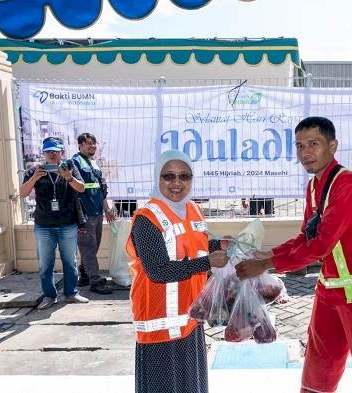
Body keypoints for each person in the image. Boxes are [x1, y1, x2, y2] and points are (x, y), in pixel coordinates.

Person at [236, 117, 352, 392]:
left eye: (314, 144)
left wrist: (267, 263)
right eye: (299, 145)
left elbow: (321, 245)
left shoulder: (348, 184)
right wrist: (268, 255)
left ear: (332, 146)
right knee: (318, 367)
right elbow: (306, 238)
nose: (305, 152)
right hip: (328, 291)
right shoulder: (314, 186)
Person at [126, 150, 230, 393]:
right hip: (159, 325)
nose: (177, 183)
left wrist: (218, 245)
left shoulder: (192, 209)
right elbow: (158, 270)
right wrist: (208, 263)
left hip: (189, 319)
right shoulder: (147, 219)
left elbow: (195, 245)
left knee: (190, 385)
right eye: (168, 176)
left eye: (184, 176)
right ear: (157, 178)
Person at [20, 137, 89, 310]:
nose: (52, 154)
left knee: (70, 262)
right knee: (45, 264)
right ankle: (50, 296)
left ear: (62, 153)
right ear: (43, 153)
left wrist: (69, 177)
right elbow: (23, 193)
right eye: (48, 151)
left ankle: (71, 293)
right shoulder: (34, 171)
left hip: (67, 224)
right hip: (44, 225)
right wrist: (34, 178)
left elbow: (82, 188)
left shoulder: (70, 168)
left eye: (55, 151)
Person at [72, 133, 116, 294]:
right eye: (88, 143)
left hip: (97, 211)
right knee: (88, 246)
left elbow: (100, 190)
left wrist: (107, 210)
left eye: (94, 143)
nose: (92, 146)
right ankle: (95, 281)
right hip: (84, 212)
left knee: (93, 245)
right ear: (80, 146)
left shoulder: (94, 163)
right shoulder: (75, 162)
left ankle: (84, 273)